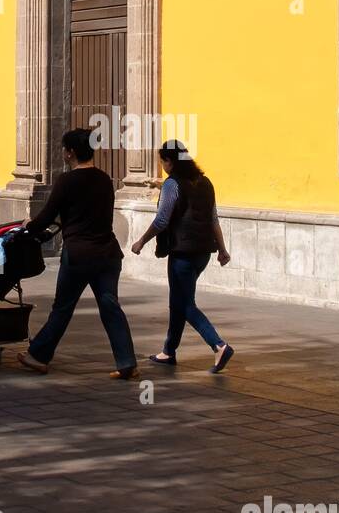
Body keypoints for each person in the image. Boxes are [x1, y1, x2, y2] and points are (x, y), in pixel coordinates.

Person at [16, 128, 139, 380]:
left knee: (62, 308)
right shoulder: (105, 179)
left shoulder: (66, 181)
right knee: (110, 307)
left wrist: (28, 225)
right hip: (107, 253)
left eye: (63, 148)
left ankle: (37, 356)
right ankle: (127, 362)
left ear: (70, 152)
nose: (62, 152)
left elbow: (47, 217)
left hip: (79, 255)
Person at [132, 140, 234, 374]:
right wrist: (222, 249)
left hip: (183, 252)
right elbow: (213, 219)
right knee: (178, 300)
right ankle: (168, 351)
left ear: (170, 161)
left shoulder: (172, 184)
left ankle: (218, 345)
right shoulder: (205, 182)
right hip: (203, 253)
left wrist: (141, 241)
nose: (163, 166)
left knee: (184, 303)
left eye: (163, 161)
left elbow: (161, 220)